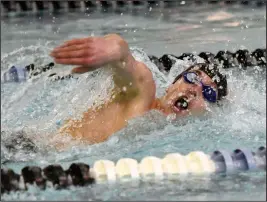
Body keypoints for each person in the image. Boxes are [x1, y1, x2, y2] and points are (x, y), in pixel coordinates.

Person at [48, 33, 228, 145]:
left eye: (208, 93)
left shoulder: (167, 140)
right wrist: (111, 49)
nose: (195, 89)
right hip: (36, 148)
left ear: (207, 112)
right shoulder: (142, 93)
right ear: (172, 84)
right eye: (192, 78)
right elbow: (125, 58)